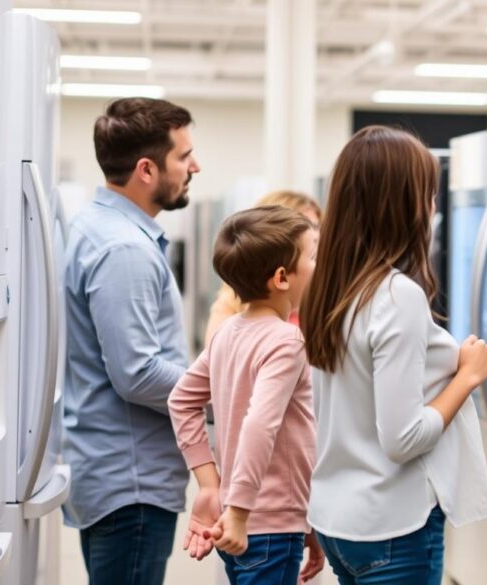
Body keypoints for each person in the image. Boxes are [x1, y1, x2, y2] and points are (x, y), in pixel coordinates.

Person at [300, 125, 487, 584]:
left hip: (338, 519)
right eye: (427, 194)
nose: (432, 207)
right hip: (392, 528)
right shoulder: (396, 296)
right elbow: (403, 438)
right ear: (400, 204)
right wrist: (467, 376)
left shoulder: (328, 289)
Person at [62, 97, 201, 584]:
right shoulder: (124, 249)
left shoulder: (93, 226)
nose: (195, 167)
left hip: (114, 473)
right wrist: (218, 392)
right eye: (184, 156)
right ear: (146, 169)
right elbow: (137, 373)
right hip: (132, 483)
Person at [169, 205, 324, 584]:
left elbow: (181, 400)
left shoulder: (228, 332)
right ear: (282, 277)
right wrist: (238, 511)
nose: (320, 265)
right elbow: (261, 425)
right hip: (264, 526)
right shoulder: (287, 340)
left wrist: (211, 485)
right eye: (313, 256)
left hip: (251, 518)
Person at [205, 190, 321, 343]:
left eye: (317, 227)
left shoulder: (227, 329)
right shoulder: (290, 339)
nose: (317, 236)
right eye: (306, 226)